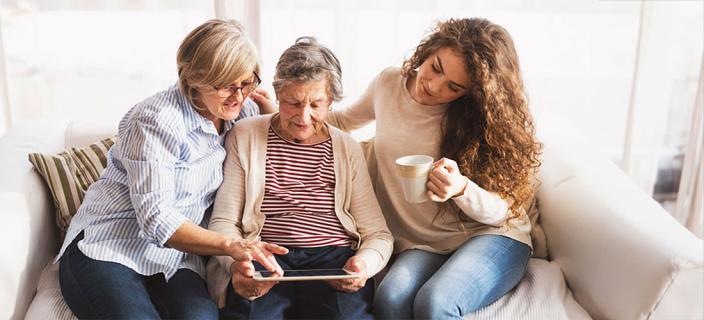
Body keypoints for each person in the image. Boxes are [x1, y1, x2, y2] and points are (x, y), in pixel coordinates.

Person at [56, 19, 287, 319]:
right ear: (193, 77)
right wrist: (232, 245)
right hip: (108, 245)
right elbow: (157, 219)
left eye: (247, 82)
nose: (239, 95)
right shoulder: (155, 119)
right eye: (226, 85)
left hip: (176, 259)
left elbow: (288, 143)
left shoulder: (244, 110)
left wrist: (272, 116)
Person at [323, 18, 546, 319]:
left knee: (435, 302)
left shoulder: (477, 119)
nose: (433, 85)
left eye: (454, 87)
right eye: (436, 68)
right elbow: (341, 122)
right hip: (424, 242)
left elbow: (501, 212)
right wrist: (279, 114)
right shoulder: (389, 84)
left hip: (492, 235)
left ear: (471, 93)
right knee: (390, 299)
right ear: (428, 50)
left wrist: (462, 188)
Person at [206, 37, 394, 320]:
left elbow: (378, 235)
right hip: (265, 255)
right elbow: (223, 222)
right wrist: (238, 262)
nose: (303, 117)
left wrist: (363, 265)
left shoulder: (346, 148)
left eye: (316, 104)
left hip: (333, 260)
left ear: (331, 100)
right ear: (277, 93)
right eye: (293, 103)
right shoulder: (245, 136)